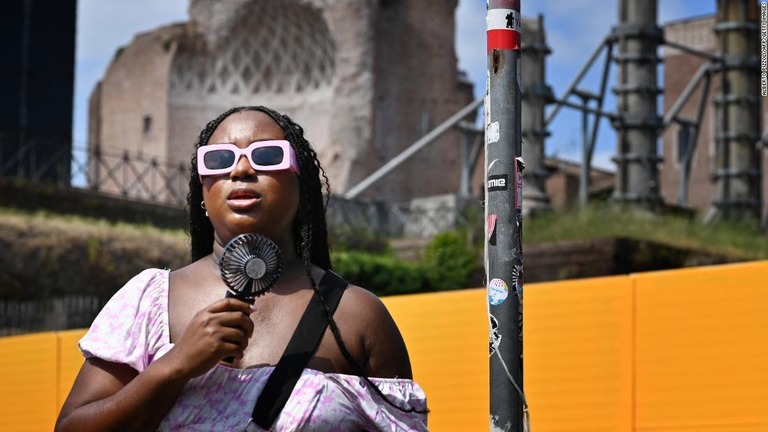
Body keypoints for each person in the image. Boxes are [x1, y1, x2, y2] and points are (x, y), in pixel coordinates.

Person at [56, 106, 428, 431]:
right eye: (218, 160)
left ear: (301, 186)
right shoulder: (150, 300)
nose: (242, 170)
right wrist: (175, 365)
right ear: (202, 191)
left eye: (267, 155)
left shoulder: (357, 317)